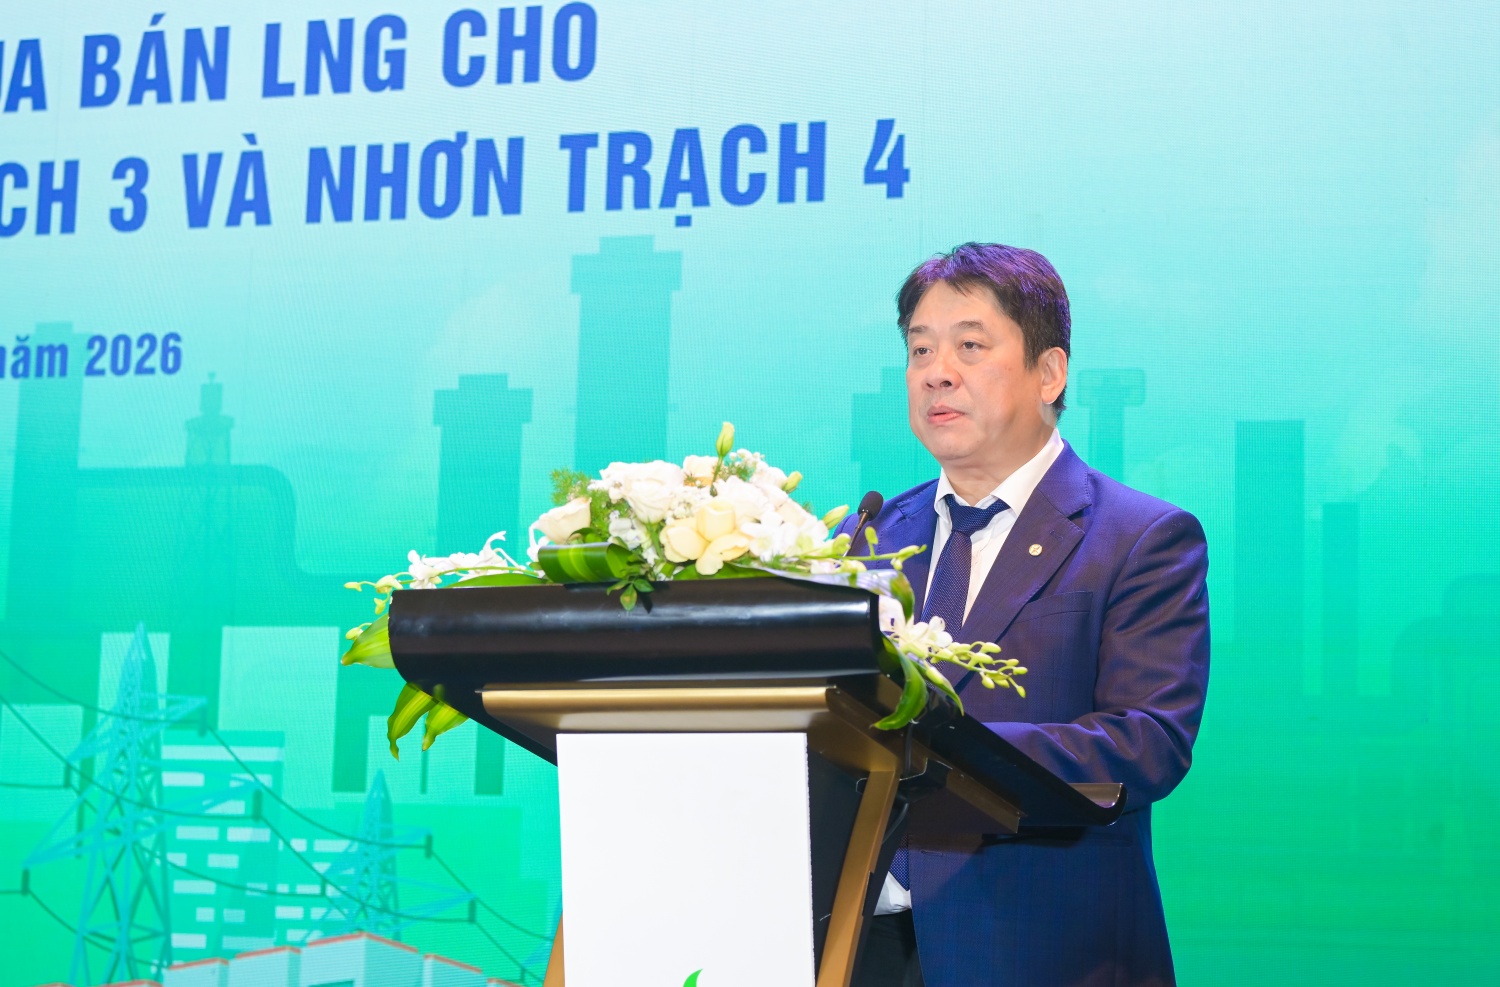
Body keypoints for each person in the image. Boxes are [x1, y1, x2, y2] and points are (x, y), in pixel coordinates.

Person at [847, 243, 1211, 987]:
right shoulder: (872, 535)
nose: (936, 372)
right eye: (920, 349)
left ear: (1050, 372)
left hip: (1042, 947)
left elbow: (1146, 741)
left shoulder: (1140, 538)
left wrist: (938, 750)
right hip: (861, 949)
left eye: (969, 346)